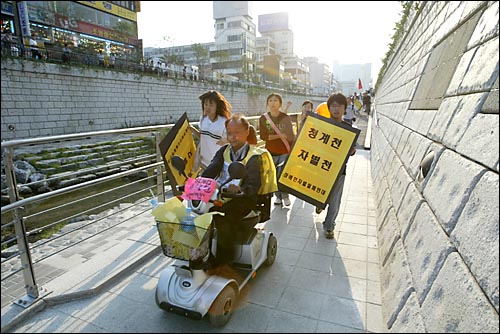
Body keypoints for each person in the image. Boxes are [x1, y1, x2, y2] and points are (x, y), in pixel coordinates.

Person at [201, 114, 262, 266]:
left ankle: (224, 262)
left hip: (243, 200)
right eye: (229, 132)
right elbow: (212, 169)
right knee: (197, 215)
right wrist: (197, 182)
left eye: (237, 132)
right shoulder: (223, 151)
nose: (232, 136)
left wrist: (241, 189)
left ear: (247, 132)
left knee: (223, 219)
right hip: (222, 195)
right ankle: (200, 255)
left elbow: (254, 184)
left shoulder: (254, 156)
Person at [319, 93, 356, 239]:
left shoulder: (348, 127)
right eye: (333, 106)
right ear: (328, 108)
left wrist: (352, 150)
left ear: (345, 108)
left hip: (339, 170)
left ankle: (329, 226)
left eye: (339, 106)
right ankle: (319, 203)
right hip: (320, 167)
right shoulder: (322, 124)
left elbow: (351, 149)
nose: (336, 109)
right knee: (321, 193)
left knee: (335, 199)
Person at [259, 93, 295, 207]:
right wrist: (279, 136)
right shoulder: (264, 118)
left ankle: (285, 196)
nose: (273, 103)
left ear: (280, 104)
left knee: (281, 175)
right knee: (273, 176)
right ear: (267, 104)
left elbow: (290, 135)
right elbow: (264, 136)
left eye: (275, 100)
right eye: (270, 100)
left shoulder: (285, 117)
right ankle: (278, 197)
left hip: (284, 151)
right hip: (270, 152)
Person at [190, 90, 232, 175]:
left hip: (217, 164)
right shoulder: (203, 119)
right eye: (205, 104)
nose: (207, 107)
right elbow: (203, 138)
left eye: (211, 105)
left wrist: (226, 140)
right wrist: (193, 130)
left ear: (218, 106)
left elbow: (232, 140)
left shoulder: (224, 122)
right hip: (204, 162)